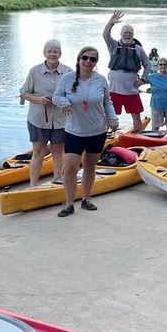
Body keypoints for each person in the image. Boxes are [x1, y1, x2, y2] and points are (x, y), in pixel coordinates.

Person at [51, 45, 120, 218]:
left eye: (92, 59)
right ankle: (68, 204)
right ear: (79, 59)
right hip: (74, 131)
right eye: (85, 58)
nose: (88, 61)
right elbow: (55, 96)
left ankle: (86, 198)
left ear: (96, 62)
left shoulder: (101, 80)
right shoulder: (67, 79)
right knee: (70, 168)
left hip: (97, 131)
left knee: (90, 166)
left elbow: (107, 102)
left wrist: (113, 119)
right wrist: (64, 102)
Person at [20, 40, 72, 185]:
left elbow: (73, 94)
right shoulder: (34, 71)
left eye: (55, 51)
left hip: (61, 119)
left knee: (58, 151)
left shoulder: (68, 72)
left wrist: (62, 100)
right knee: (37, 152)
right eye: (49, 51)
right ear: (44, 53)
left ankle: (57, 181)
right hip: (38, 119)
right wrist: (38, 100)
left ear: (60, 54)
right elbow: (24, 93)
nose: (52, 54)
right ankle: (33, 185)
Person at [102, 10, 152, 133]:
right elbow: (105, 35)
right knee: (109, 114)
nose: (127, 35)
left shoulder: (139, 49)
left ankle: (137, 134)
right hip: (114, 89)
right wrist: (111, 23)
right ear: (121, 33)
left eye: (130, 33)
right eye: (125, 32)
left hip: (131, 91)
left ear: (133, 34)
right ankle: (104, 134)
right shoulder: (113, 45)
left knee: (136, 114)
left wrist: (143, 80)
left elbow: (148, 65)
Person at [146, 58, 167, 129]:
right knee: (155, 128)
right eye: (161, 64)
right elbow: (141, 81)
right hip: (156, 105)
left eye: (165, 64)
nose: (163, 66)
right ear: (158, 66)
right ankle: (153, 140)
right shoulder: (152, 77)